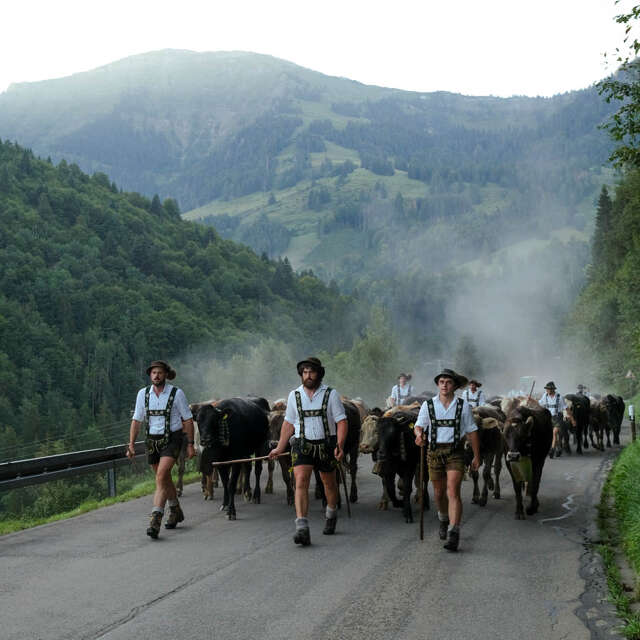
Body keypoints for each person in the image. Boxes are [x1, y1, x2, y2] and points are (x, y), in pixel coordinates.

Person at [269, 357, 347, 546]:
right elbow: (288, 423)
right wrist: (280, 447)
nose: (308, 375)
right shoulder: (294, 395)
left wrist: (340, 445)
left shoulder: (331, 394)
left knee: (328, 483)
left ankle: (331, 512)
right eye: (304, 372)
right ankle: (302, 527)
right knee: (301, 481)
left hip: (326, 445)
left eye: (311, 372)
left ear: (319, 373)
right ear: (301, 374)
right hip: (302, 445)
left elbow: (341, 421)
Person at [126, 360, 195, 539]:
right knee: (164, 478)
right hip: (152, 441)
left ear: (166, 375)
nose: (156, 376)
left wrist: (190, 444)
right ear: (150, 375)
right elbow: (137, 420)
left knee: (160, 477)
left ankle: (155, 518)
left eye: (160, 373)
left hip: (172, 439)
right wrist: (131, 444)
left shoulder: (176, 393)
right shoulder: (143, 394)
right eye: (153, 373)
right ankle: (176, 511)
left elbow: (187, 420)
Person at [414, 368, 480, 552]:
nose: (444, 385)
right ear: (437, 384)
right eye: (441, 382)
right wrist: (419, 435)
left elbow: (472, 431)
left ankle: (454, 532)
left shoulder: (463, 405)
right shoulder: (428, 405)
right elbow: (419, 426)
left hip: (455, 452)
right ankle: (443, 518)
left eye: (448, 382)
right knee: (438, 493)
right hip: (434, 452)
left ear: (454, 386)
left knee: (453, 491)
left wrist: (476, 455)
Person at [540, 381, 566, 458]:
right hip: (548, 418)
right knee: (552, 435)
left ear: (553, 389)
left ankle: (552, 450)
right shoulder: (545, 396)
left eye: (548, 389)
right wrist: (531, 400)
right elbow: (539, 403)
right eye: (547, 389)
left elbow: (566, 408)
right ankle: (559, 448)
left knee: (554, 433)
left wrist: (572, 419)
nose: (547, 390)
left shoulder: (559, 397)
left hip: (557, 417)